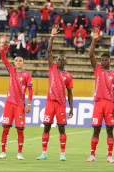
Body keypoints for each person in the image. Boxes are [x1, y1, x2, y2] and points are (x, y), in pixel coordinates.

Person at [36, 26, 73, 161]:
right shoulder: (52, 68)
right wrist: (52, 36)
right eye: (58, 60)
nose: (60, 61)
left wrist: (72, 108)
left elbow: (70, 93)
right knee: (46, 127)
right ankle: (44, 153)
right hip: (50, 103)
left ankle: (62, 154)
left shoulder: (68, 76)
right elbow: (49, 50)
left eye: (62, 60)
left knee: (61, 129)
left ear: (65, 62)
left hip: (61, 105)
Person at [86, 28, 114, 163]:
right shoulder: (98, 69)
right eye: (101, 60)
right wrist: (94, 40)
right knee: (96, 129)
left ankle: (110, 155)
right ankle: (92, 155)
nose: (103, 62)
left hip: (110, 104)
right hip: (98, 103)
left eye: (105, 60)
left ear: (110, 60)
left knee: (110, 130)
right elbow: (90, 54)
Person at [0, 35, 33, 160]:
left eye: (20, 61)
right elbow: (2, 56)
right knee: (5, 128)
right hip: (9, 104)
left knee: (20, 130)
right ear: (14, 62)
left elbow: (30, 90)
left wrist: (29, 104)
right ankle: (3, 152)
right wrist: (2, 45)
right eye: (16, 60)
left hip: (20, 105)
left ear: (23, 63)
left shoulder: (27, 74)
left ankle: (19, 152)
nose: (18, 62)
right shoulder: (11, 70)